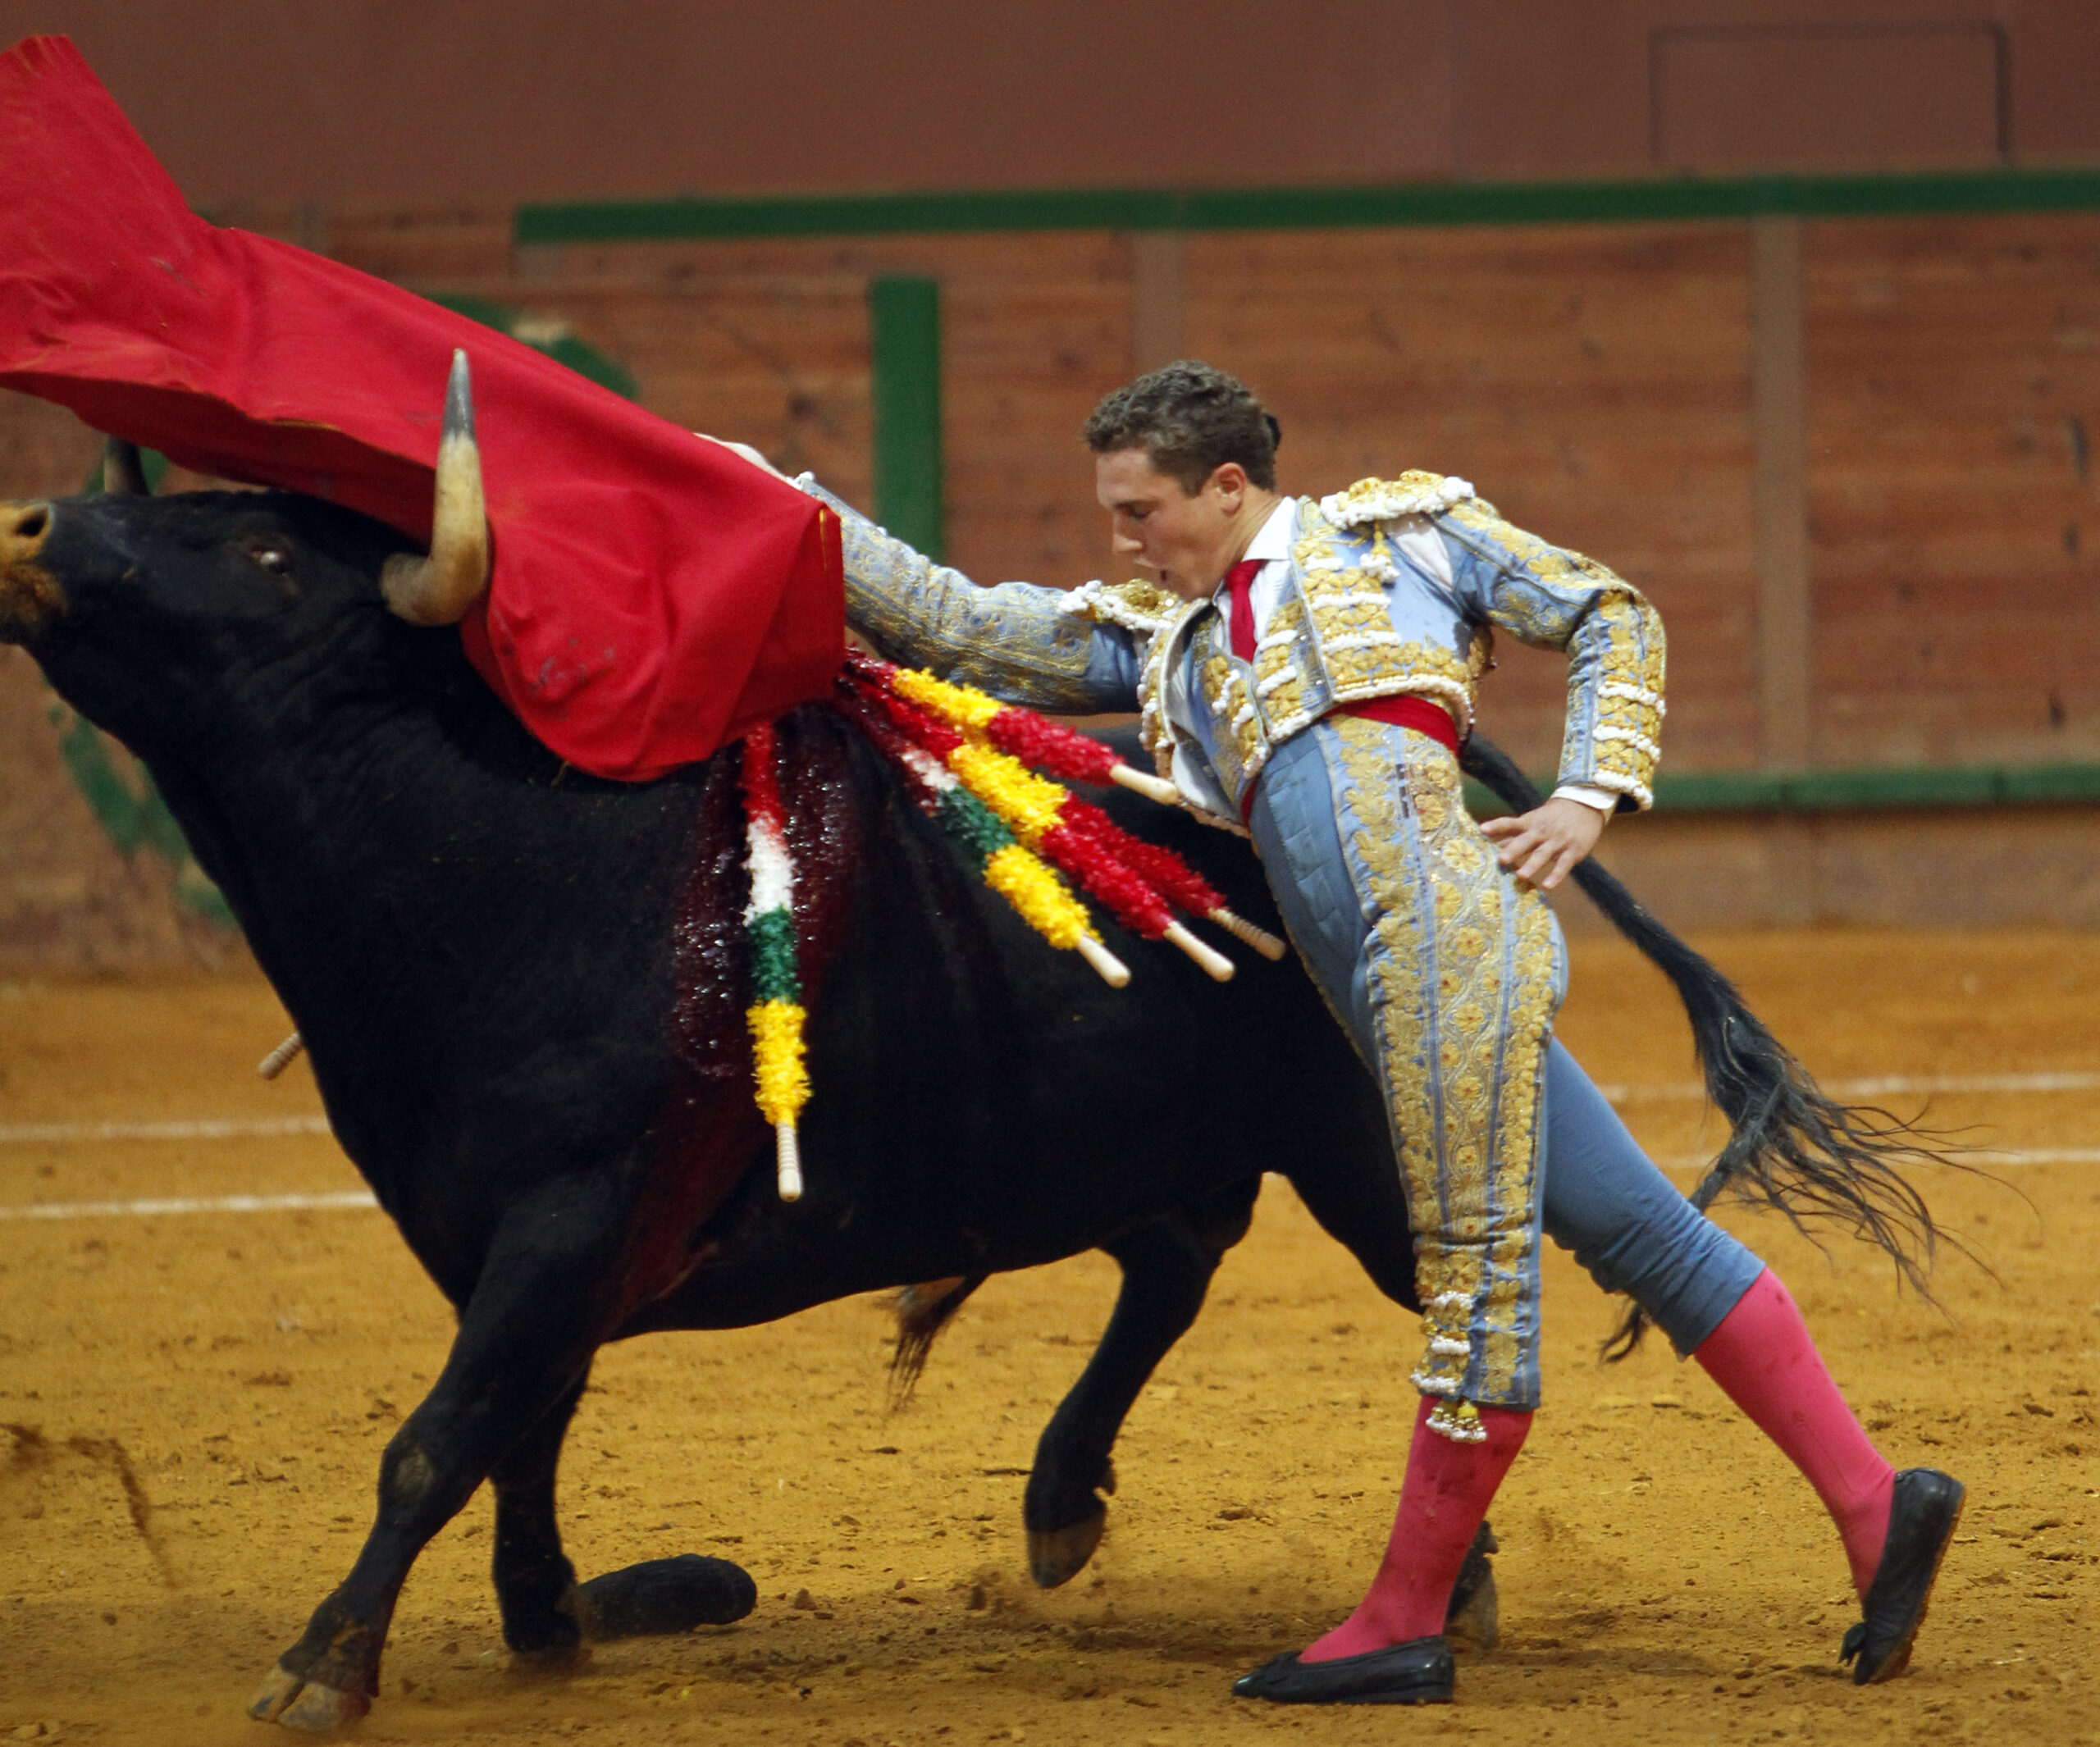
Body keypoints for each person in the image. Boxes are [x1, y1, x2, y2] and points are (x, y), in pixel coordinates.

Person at [758, 361, 1962, 1705]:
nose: (1122, 541)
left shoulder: (1403, 537)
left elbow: (1609, 609)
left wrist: (1588, 793)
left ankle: (1402, 1615)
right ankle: (1877, 1505)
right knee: (1641, 1234)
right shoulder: (1166, 640)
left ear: (1227, 487)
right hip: (1381, 991)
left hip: (1444, 942)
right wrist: (781, 501)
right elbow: (964, 624)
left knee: (1473, 1291)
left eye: (1140, 510)